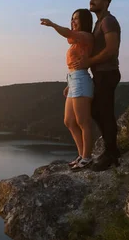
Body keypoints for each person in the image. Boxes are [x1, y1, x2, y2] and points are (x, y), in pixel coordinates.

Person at [71, 0, 122, 172]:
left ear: (106, 2)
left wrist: (89, 61)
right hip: (99, 74)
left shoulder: (108, 22)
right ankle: (110, 150)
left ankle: (112, 154)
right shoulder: (99, 23)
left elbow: (111, 50)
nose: (91, 1)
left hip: (108, 73)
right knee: (97, 111)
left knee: (104, 113)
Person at [40, 9, 95, 171]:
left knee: (83, 122)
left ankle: (87, 157)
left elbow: (67, 33)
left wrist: (52, 25)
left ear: (85, 21)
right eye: (72, 19)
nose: (73, 21)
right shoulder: (77, 40)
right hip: (73, 80)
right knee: (69, 121)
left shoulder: (86, 36)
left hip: (81, 79)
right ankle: (81, 154)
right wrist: (69, 85)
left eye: (76, 19)